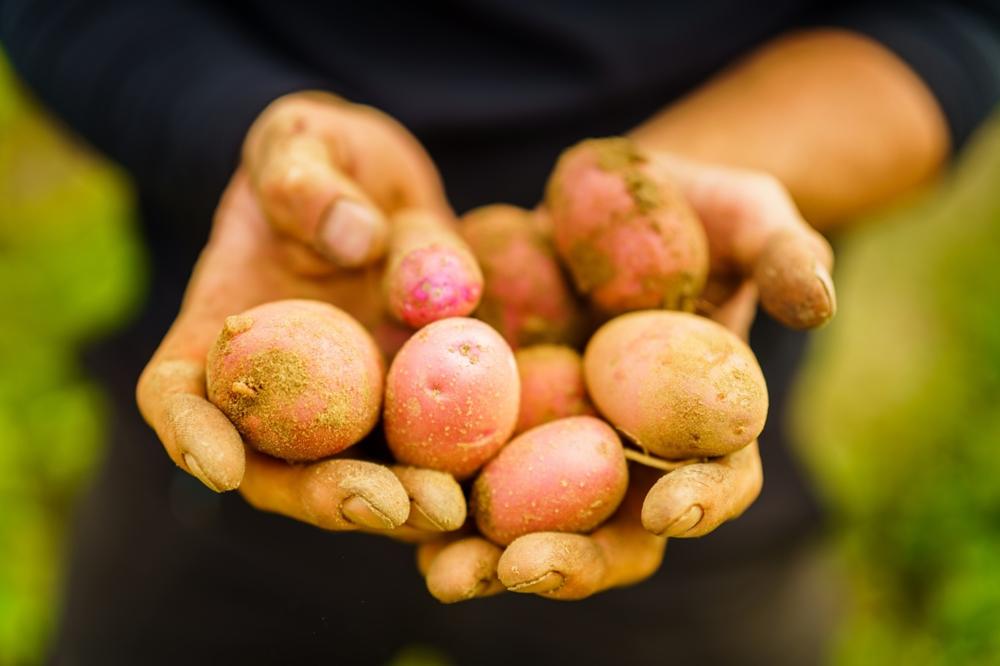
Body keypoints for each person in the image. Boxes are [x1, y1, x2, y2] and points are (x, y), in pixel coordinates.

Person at [3, 2, 998, 664]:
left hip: (662, 470)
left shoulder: (633, 402)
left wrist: (664, 181)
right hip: (245, 373)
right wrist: (261, 142)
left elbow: (953, 22)